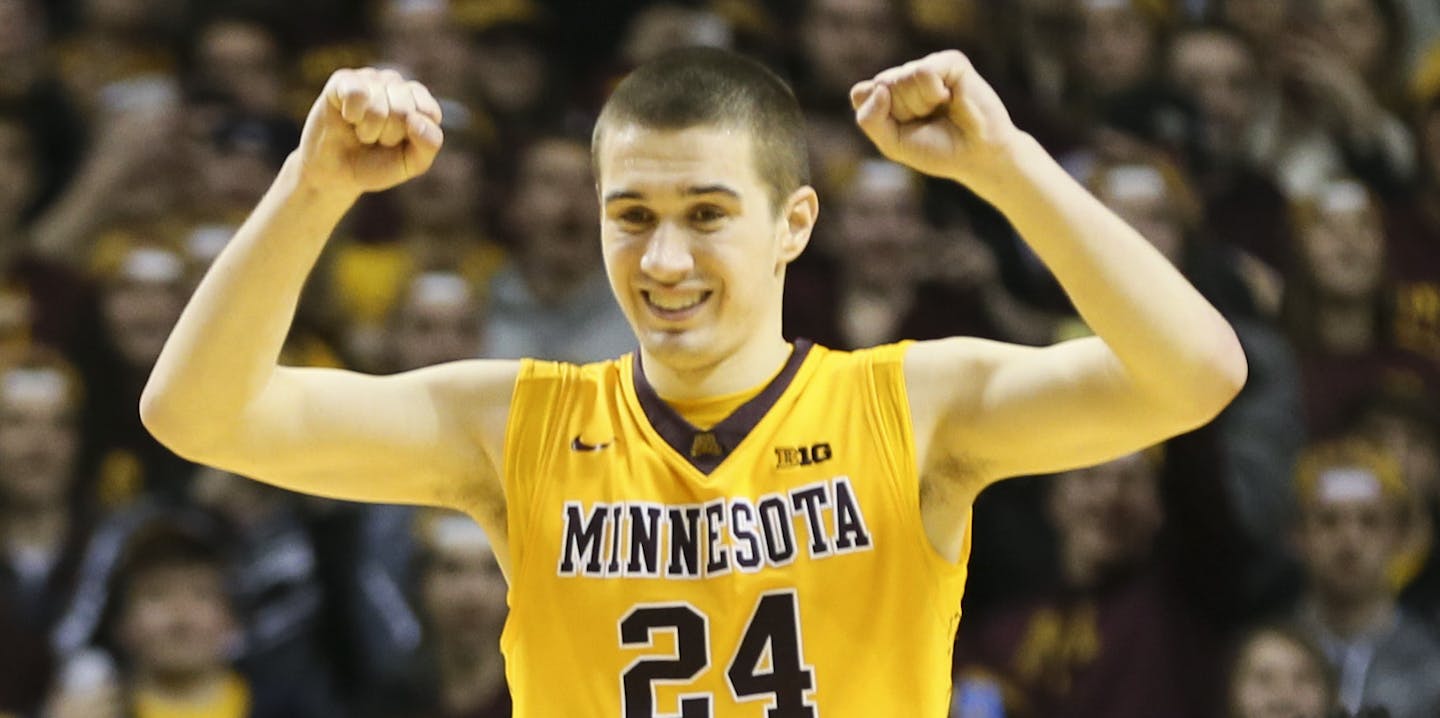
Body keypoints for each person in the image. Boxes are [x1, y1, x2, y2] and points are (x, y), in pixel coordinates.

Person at [140, 47, 1246, 715]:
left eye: (707, 216)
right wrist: (311, 185)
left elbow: (1194, 373)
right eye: (633, 217)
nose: (664, 261)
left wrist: (1004, 165)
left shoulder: (910, 407)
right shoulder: (517, 422)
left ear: (792, 225)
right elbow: (196, 413)